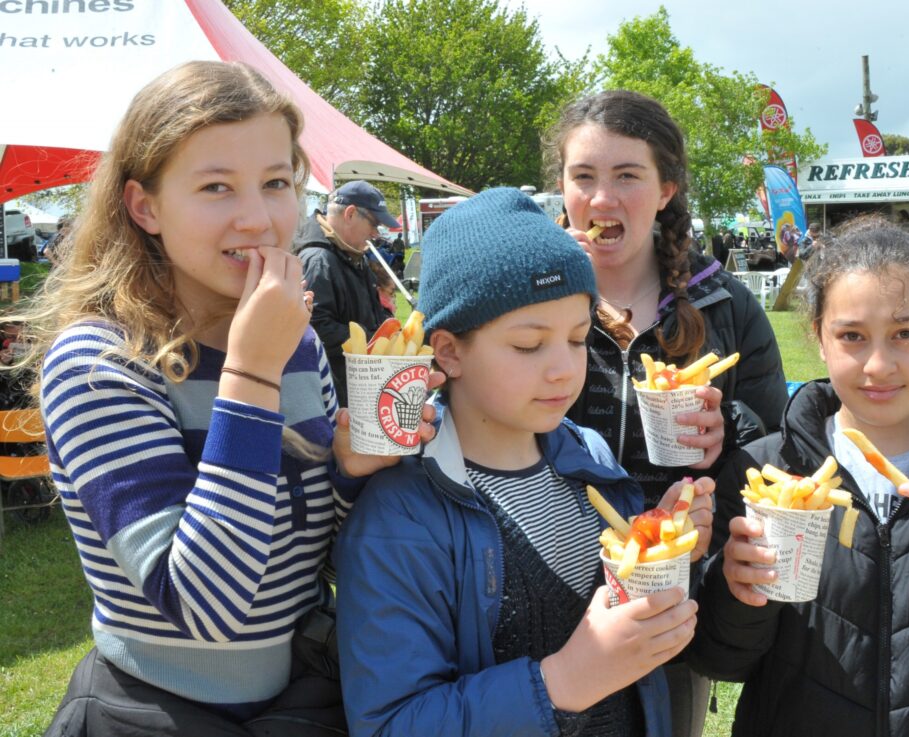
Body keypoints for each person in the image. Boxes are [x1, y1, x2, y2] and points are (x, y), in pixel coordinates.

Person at [4, 60, 438, 737]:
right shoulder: (97, 362)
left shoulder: (292, 346)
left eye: (275, 183)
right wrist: (250, 373)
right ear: (144, 206)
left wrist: (351, 472)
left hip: (302, 699)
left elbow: (310, 556)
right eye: (215, 187)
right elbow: (209, 605)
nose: (259, 217)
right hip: (155, 713)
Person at [335, 187, 716, 737]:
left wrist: (660, 544)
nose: (563, 369)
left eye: (579, 339)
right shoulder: (402, 514)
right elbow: (391, 722)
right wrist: (563, 680)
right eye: (528, 345)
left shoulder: (591, 456)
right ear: (448, 351)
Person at [690, 217, 909, 736]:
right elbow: (720, 660)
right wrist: (736, 593)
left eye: (906, 333)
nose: (878, 365)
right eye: (852, 336)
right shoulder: (759, 469)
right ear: (819, 341)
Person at [547, 89, 788, 737]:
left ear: (665, 191)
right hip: (541, 584)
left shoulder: (726, 307)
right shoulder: (529, 302)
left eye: (628, 176)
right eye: (584, 177)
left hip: (672, 598)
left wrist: (729, 428)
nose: (602, 199)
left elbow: (781, 452)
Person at [294, 180, 398, 402]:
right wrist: (375, 340)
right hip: (337, 395)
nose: (375, 234)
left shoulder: (348, 255)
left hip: (357, 388)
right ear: (350, 214)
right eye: (374, 224)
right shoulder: (319, 260)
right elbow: (316, 329)